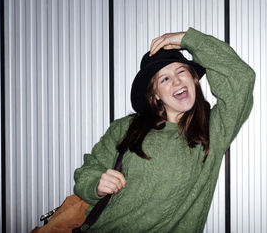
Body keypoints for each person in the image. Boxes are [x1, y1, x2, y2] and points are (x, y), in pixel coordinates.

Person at [73, 27, 255, 232]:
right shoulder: (126, 128)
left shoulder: (213, 130)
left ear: (193, 79)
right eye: (165, 79)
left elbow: (241, 79)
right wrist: (97, 184)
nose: (177, 81)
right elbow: (87, 172)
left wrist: (188, 40)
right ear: (155, 94)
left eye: (181, 72)